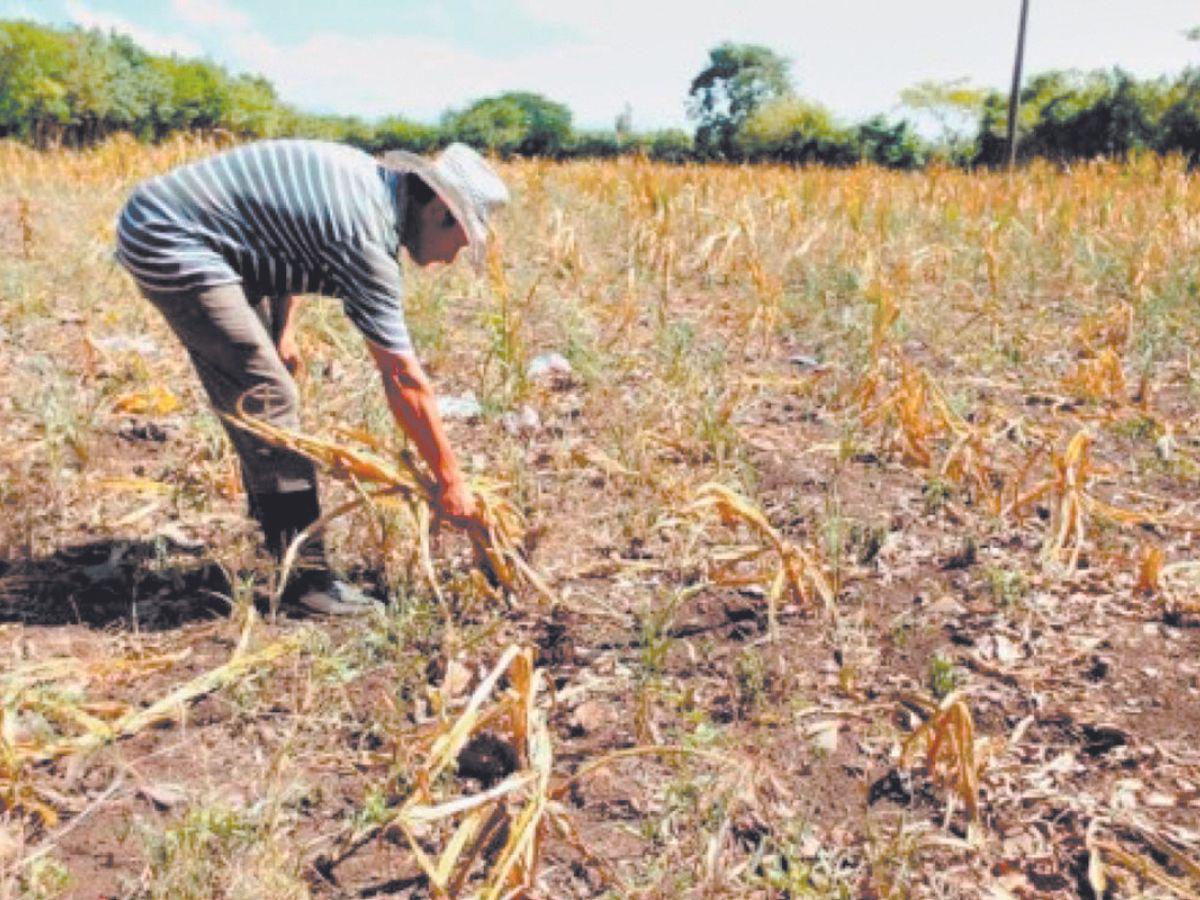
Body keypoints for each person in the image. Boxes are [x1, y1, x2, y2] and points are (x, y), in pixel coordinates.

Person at [114, 139, 509, 615]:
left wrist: (281, 330)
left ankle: (275, 525)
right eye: (460, 241)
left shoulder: (372, 189)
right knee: (267, 396)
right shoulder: (366, 234)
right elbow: (403, 377)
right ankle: (306, 581)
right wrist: (450, 480)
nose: (451, 259)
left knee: (263, 380)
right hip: (170, 234)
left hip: (203, 232)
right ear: (440, 212)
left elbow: (287, 237)